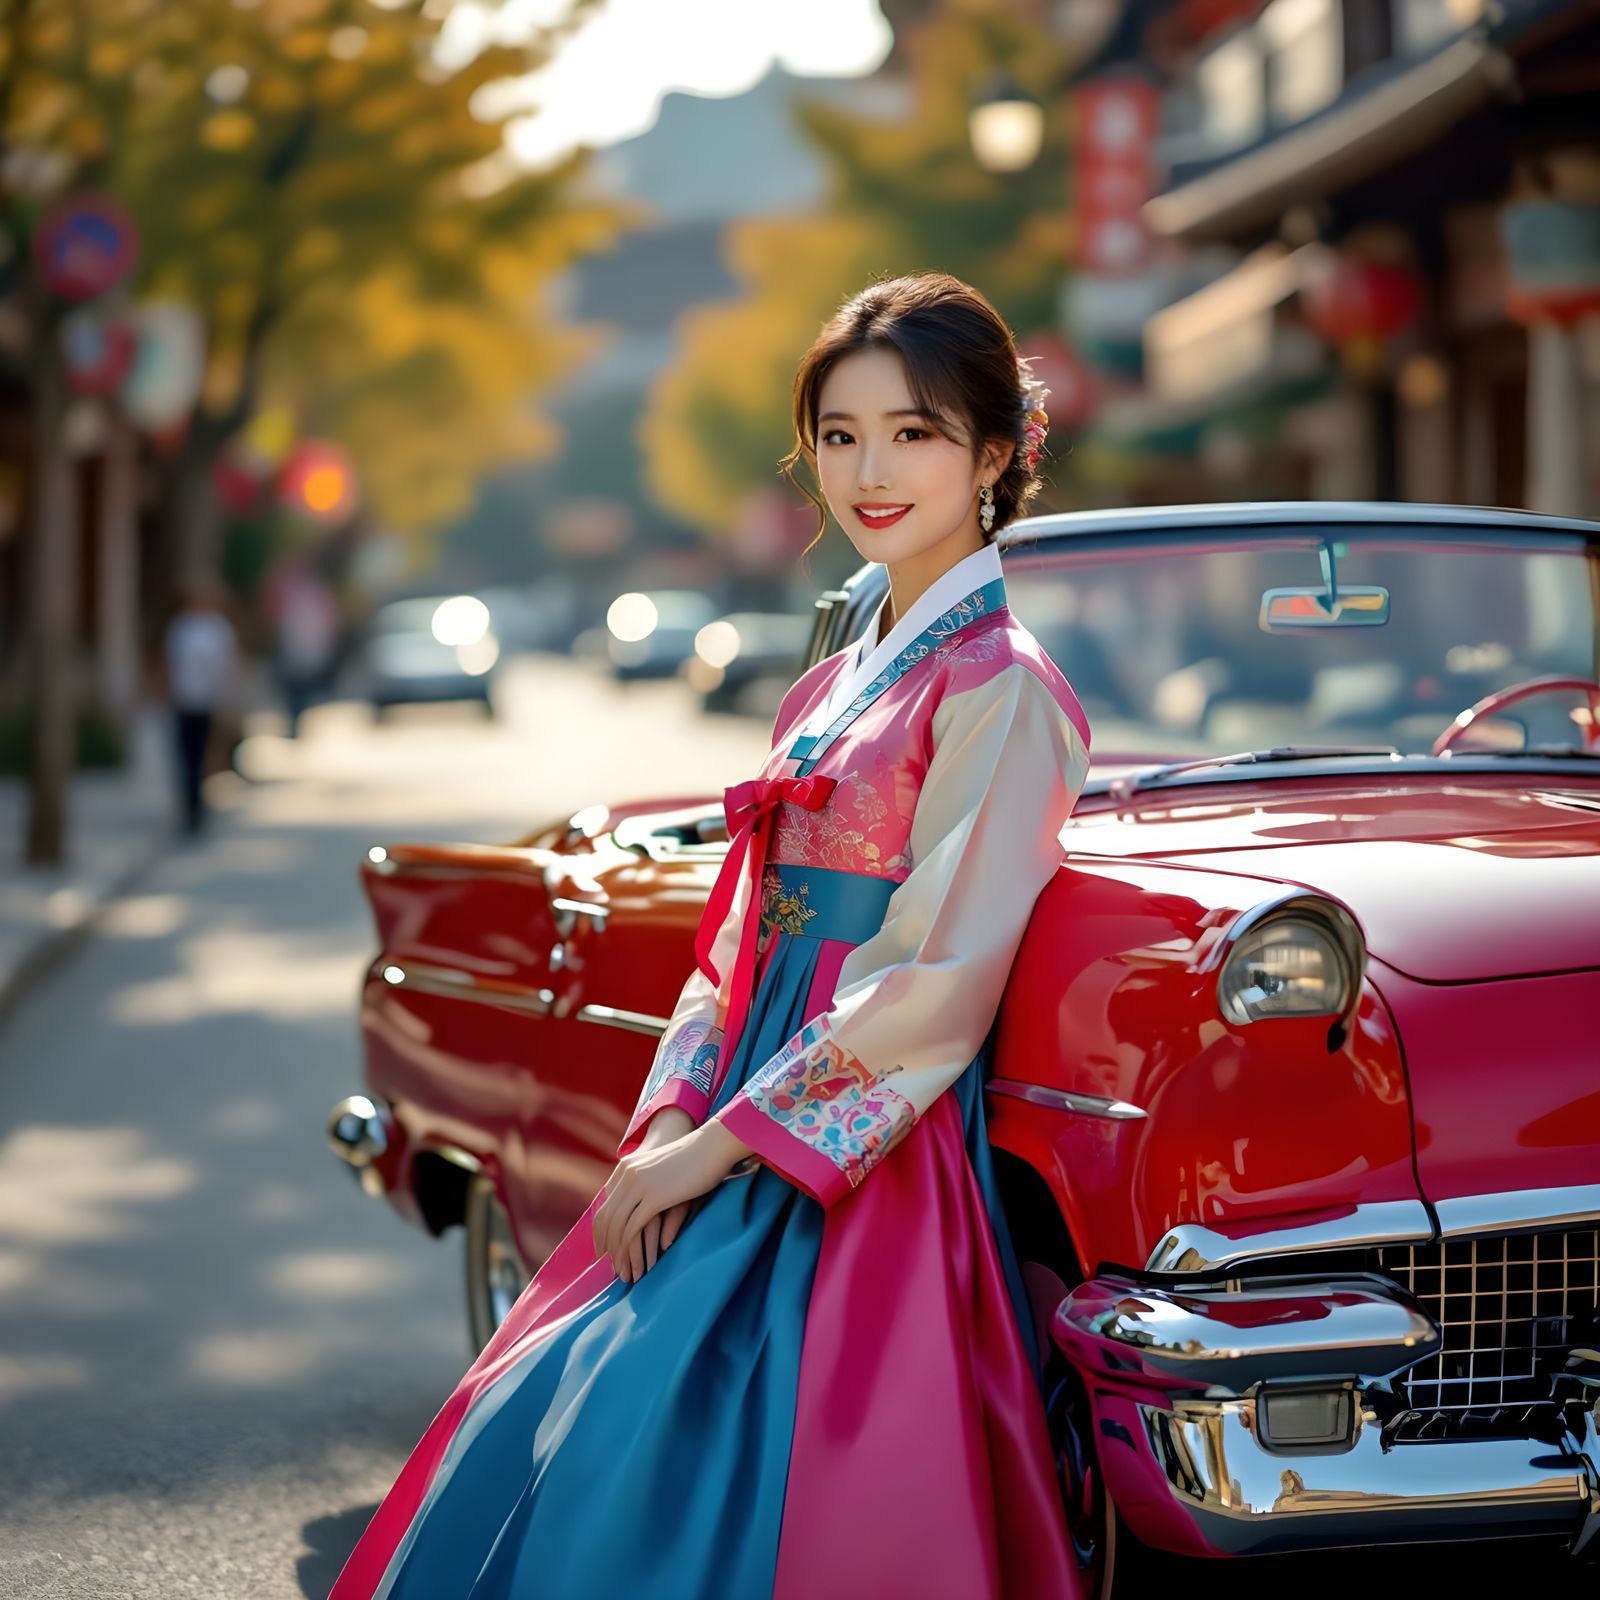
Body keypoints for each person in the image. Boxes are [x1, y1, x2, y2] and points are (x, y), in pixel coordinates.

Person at [327, 272, 1093, 1600]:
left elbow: (935, 983)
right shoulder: (833, 681)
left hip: (865, 1154)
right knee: (566, 1420)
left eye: (912, 432)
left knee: (735, 1478)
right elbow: (735, 936)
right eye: (840, 436)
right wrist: (674, 1110)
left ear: (993, 450)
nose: (870, 470)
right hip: (747, 1091)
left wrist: (716, 1152)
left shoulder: (1003, 688)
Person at [161, 580, 238, 837]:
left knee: (203, 756)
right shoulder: (181, 628)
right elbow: (172, 666)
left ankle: (198, 805)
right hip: (185, 701)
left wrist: (224, 700)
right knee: (186, 756)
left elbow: (224, 669)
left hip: (206, 702)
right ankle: (190, 806)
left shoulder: (217, 630)